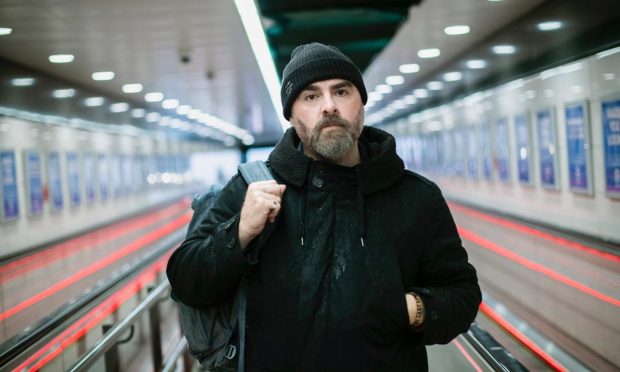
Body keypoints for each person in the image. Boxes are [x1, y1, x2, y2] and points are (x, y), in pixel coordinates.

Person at [167, 42, 481, 371]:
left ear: (361, 103)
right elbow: (186, 280)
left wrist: (410, 308)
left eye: (342, 92)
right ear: (291, 114)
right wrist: (240, 232)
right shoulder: (252, 188)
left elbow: (461, 293)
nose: (329, 106)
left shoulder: (414, 197)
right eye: (311, 96)